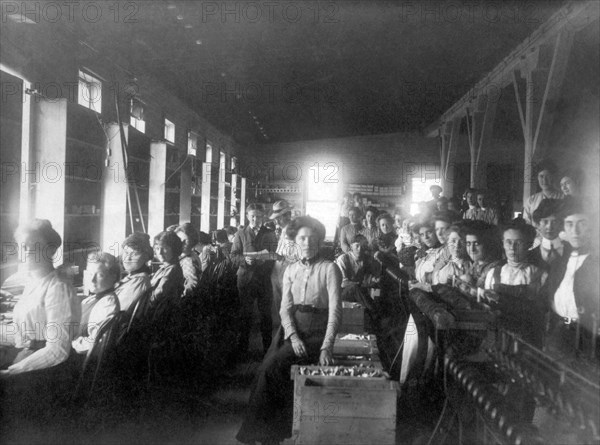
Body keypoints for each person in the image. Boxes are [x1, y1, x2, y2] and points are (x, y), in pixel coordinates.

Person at [236, 216, 342, 445]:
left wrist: (326, 347)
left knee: (273, 370)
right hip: (293, 330)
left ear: (320, 241)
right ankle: (266, 436)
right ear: (295, 241)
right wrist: (292, 336)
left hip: (316, 333)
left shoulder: (330, 269)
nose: (307, 243)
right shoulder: (291, 270)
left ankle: (269, 435)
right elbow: (285, 309)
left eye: (312, 238)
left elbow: (335, 312)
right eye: (302, 238)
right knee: (263, 370)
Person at [0, 219, 80, 375]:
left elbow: (57, 351)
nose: (25, 251)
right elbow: (24, 334)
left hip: (46, 372)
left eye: (32, 245)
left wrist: (10, 372)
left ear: (50, 250)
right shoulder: (33, 281)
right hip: (29, 353)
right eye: (22, 246)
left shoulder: (58, 288)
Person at [547, 201, 599, 359]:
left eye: (581, 224)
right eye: (569, 224)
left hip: (589, 342)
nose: (575, 231)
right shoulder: (560, 262)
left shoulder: (596, 263)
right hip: (560, 335)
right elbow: (542, 301)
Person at [231, 203, 279, 355]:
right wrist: (245, 261)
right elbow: (233, 255)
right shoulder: (240, 233)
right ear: (247, 216)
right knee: (245, 315)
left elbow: (274, 255)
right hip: (245, 279)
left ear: (263, 217)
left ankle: (267, 349)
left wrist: (265, 260)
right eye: (252, 216)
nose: (255, 219)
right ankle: (243, 350)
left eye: (258, 216)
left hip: (264, 280)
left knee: (266, 315)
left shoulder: (270, 233)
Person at [72, 252, 120, 354]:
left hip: (77, 359)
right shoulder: (92, 298)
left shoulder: (107, 304)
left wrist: (72, 343)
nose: (92, 280)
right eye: (90, 274)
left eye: (100, 275)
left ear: (113, 277)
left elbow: (96, 342)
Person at [269, 200, 298, 324]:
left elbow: (295, 256)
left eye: (278, 218)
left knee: (286, 310)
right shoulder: (283, 230)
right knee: (280, 309)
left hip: (286, 274)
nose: (276, 221)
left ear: (287, 216)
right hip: (278, 274)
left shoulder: (293, 231)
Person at [336, 234, 380, 310]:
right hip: (345, 292)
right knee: (355, 287)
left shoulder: (367, 259)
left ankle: (378, 307)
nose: (360, 249)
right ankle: (374, 311)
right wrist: (362, 284)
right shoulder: (343, 259)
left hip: (361, 290)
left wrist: (374, 279)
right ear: (351, 246)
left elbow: (368, 277)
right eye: (357, 246)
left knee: (378, 286)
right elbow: (343, 283)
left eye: (362, 246)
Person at [115, 232, 153, 314]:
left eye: (134, 254)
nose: (127, 258)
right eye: (126, 253)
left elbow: (118, 310)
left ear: (146, 256)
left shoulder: (139, 281)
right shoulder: (131, 277)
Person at [459, 221, 502, 288]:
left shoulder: (494, 269)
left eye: (476, 244)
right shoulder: (476, 264)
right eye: (468, 244)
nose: (472, 249)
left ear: (487, 244)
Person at [149, 231, 185, 311]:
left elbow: (157, 296)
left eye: (164, 248)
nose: (160, 253)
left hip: (157, 314)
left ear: (174, 249)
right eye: (157, 248)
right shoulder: (167, 267)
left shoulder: (172, 270)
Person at [529, 199, 566, 271]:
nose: (549, 227)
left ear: (561, 224)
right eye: (545, 221)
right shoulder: (529, 256)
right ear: (538, 224)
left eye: (554, 222)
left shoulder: (571, 251)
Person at [523, 160, 563, 225]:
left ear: (553, 177)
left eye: (548, 176)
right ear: (537, 178)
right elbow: (527, 223)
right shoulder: (531, 200)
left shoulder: (562, 197)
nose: (544, 180)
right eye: (541, 176)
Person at [174, 223, 202, 298]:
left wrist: (180, 298)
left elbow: (192, 283)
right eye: (179, 240)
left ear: (192, 241)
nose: (182, 243)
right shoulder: (193, 255)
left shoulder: (188, 260)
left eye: (185, 240)